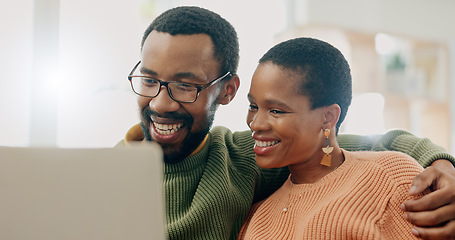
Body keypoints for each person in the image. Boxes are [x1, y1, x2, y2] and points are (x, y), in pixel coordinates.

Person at [119, 6, 455, 240]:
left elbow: (355, 145)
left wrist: (441, 163)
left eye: (185, 86)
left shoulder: (241, 158)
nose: (161, 103)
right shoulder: (105, 174)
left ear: (225, 91)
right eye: (149, 81)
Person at [238, 37, 429, 239]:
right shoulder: (256, 218)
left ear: (328, 117)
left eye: (276, 110)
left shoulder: (391, 179)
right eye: (253, 107)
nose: (256, 123)